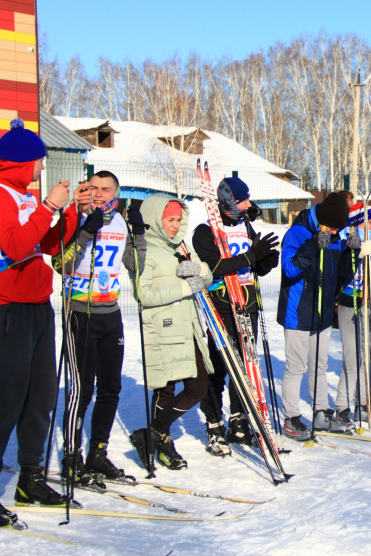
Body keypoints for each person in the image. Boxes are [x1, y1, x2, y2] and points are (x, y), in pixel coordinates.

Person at [0, 119, 83, 520]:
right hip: (9, 308)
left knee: (41, 397)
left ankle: (30, 478)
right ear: (21, 161)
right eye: (39, 160)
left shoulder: (26, 196)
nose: (42, 166)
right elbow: (15, 247)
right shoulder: (2, 195)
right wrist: (48, 206)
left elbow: (48, 245)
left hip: (37, 305)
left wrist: (71, 211)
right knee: (7, 399)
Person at [53, 171, 146, 484]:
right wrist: (84, 232)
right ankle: (72, 456)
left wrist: (138, 233)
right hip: (80, 314)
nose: (99, 193)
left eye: (106, 189)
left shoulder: (119, 222)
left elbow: (135, 266)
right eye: (93, 188)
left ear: (115, 194)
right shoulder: (75, 219)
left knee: (110, 389)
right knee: (82, 390)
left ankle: (98, 452)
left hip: (111, 314)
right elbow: (60, 264)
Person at [192, 178, 280, 456]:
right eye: (243, 200)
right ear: (229, 202)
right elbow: (216, 267)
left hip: (247, 304)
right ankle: (214, 423)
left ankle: (238, 420)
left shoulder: (246, 226)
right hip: (221, 306)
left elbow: (254, 265)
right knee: (220, 367)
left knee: (246, 367)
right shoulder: (205, 231)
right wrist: (252, 256)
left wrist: (266, 261)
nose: (248, 204)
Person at [128, 195, 214, 470]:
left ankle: (153, 432)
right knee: (165, 389)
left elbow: (208, 277)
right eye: (170, 219)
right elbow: (143, 294)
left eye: (179, 219)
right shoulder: (143, 249)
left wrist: (198, 269)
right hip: (163, 329)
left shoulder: (182, 245)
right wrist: (186, 286)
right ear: (155, 219)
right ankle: (163, 443)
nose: (175, 225)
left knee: (198, 388)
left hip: (188, 326)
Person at [279, 192, 357, 441]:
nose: (335, 232)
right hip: (298, 311)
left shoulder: (335, 235)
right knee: (296, 367)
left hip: (322, 311)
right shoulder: (297, 232)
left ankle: (321, 413)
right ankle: (291, 418)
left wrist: (352, 254)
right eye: (332, 227)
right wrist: (312, 246)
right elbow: (288, 269)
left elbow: (341, 276)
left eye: (338, 229)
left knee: (319, 366)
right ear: (323, 219)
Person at [334, 203, 371, 426]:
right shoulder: (345, 241)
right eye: (370, 222)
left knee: (366, 358)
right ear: (357, 224)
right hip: (351, 304)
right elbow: (341, 276)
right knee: (352, 358)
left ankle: (363, 404)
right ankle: (342, 408)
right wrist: (355, 254)